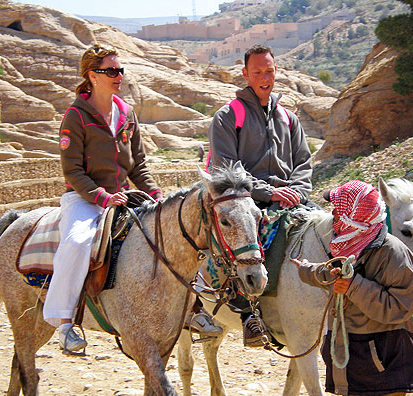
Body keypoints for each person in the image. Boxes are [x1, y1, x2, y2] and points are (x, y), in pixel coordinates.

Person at [291, 180, 413, 396]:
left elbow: (400, 308)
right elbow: (334, 274)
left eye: (340, 212)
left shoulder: (394, 253)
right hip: (349, 355)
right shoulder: (349, 244)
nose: (335, 218)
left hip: (389, 354)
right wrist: (307, 272)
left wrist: (353, 285)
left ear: (357, 216)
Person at [191, 44, 314, 346]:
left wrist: (295, 192)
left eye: (269, 71)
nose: (264, 77)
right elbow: (227, 169)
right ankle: (247, 314)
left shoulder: (288, 118)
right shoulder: (227, 116)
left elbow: (304, 163)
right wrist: (271, 193)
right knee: (241, 245)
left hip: (290, 198)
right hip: (245, 200)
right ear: (245, 74)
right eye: (257, 72)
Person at [43, 44, 163, 353]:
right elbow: (71, 171)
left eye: (120, 70)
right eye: (111, 71)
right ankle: (66, 323)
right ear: (92, 76)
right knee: (78, 242)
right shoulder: (75, 116)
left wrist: (156, 195)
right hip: (85, 199)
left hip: (124, 197)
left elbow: (138, 164)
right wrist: (102, 197)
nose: (118, 76)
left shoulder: (126, 113)